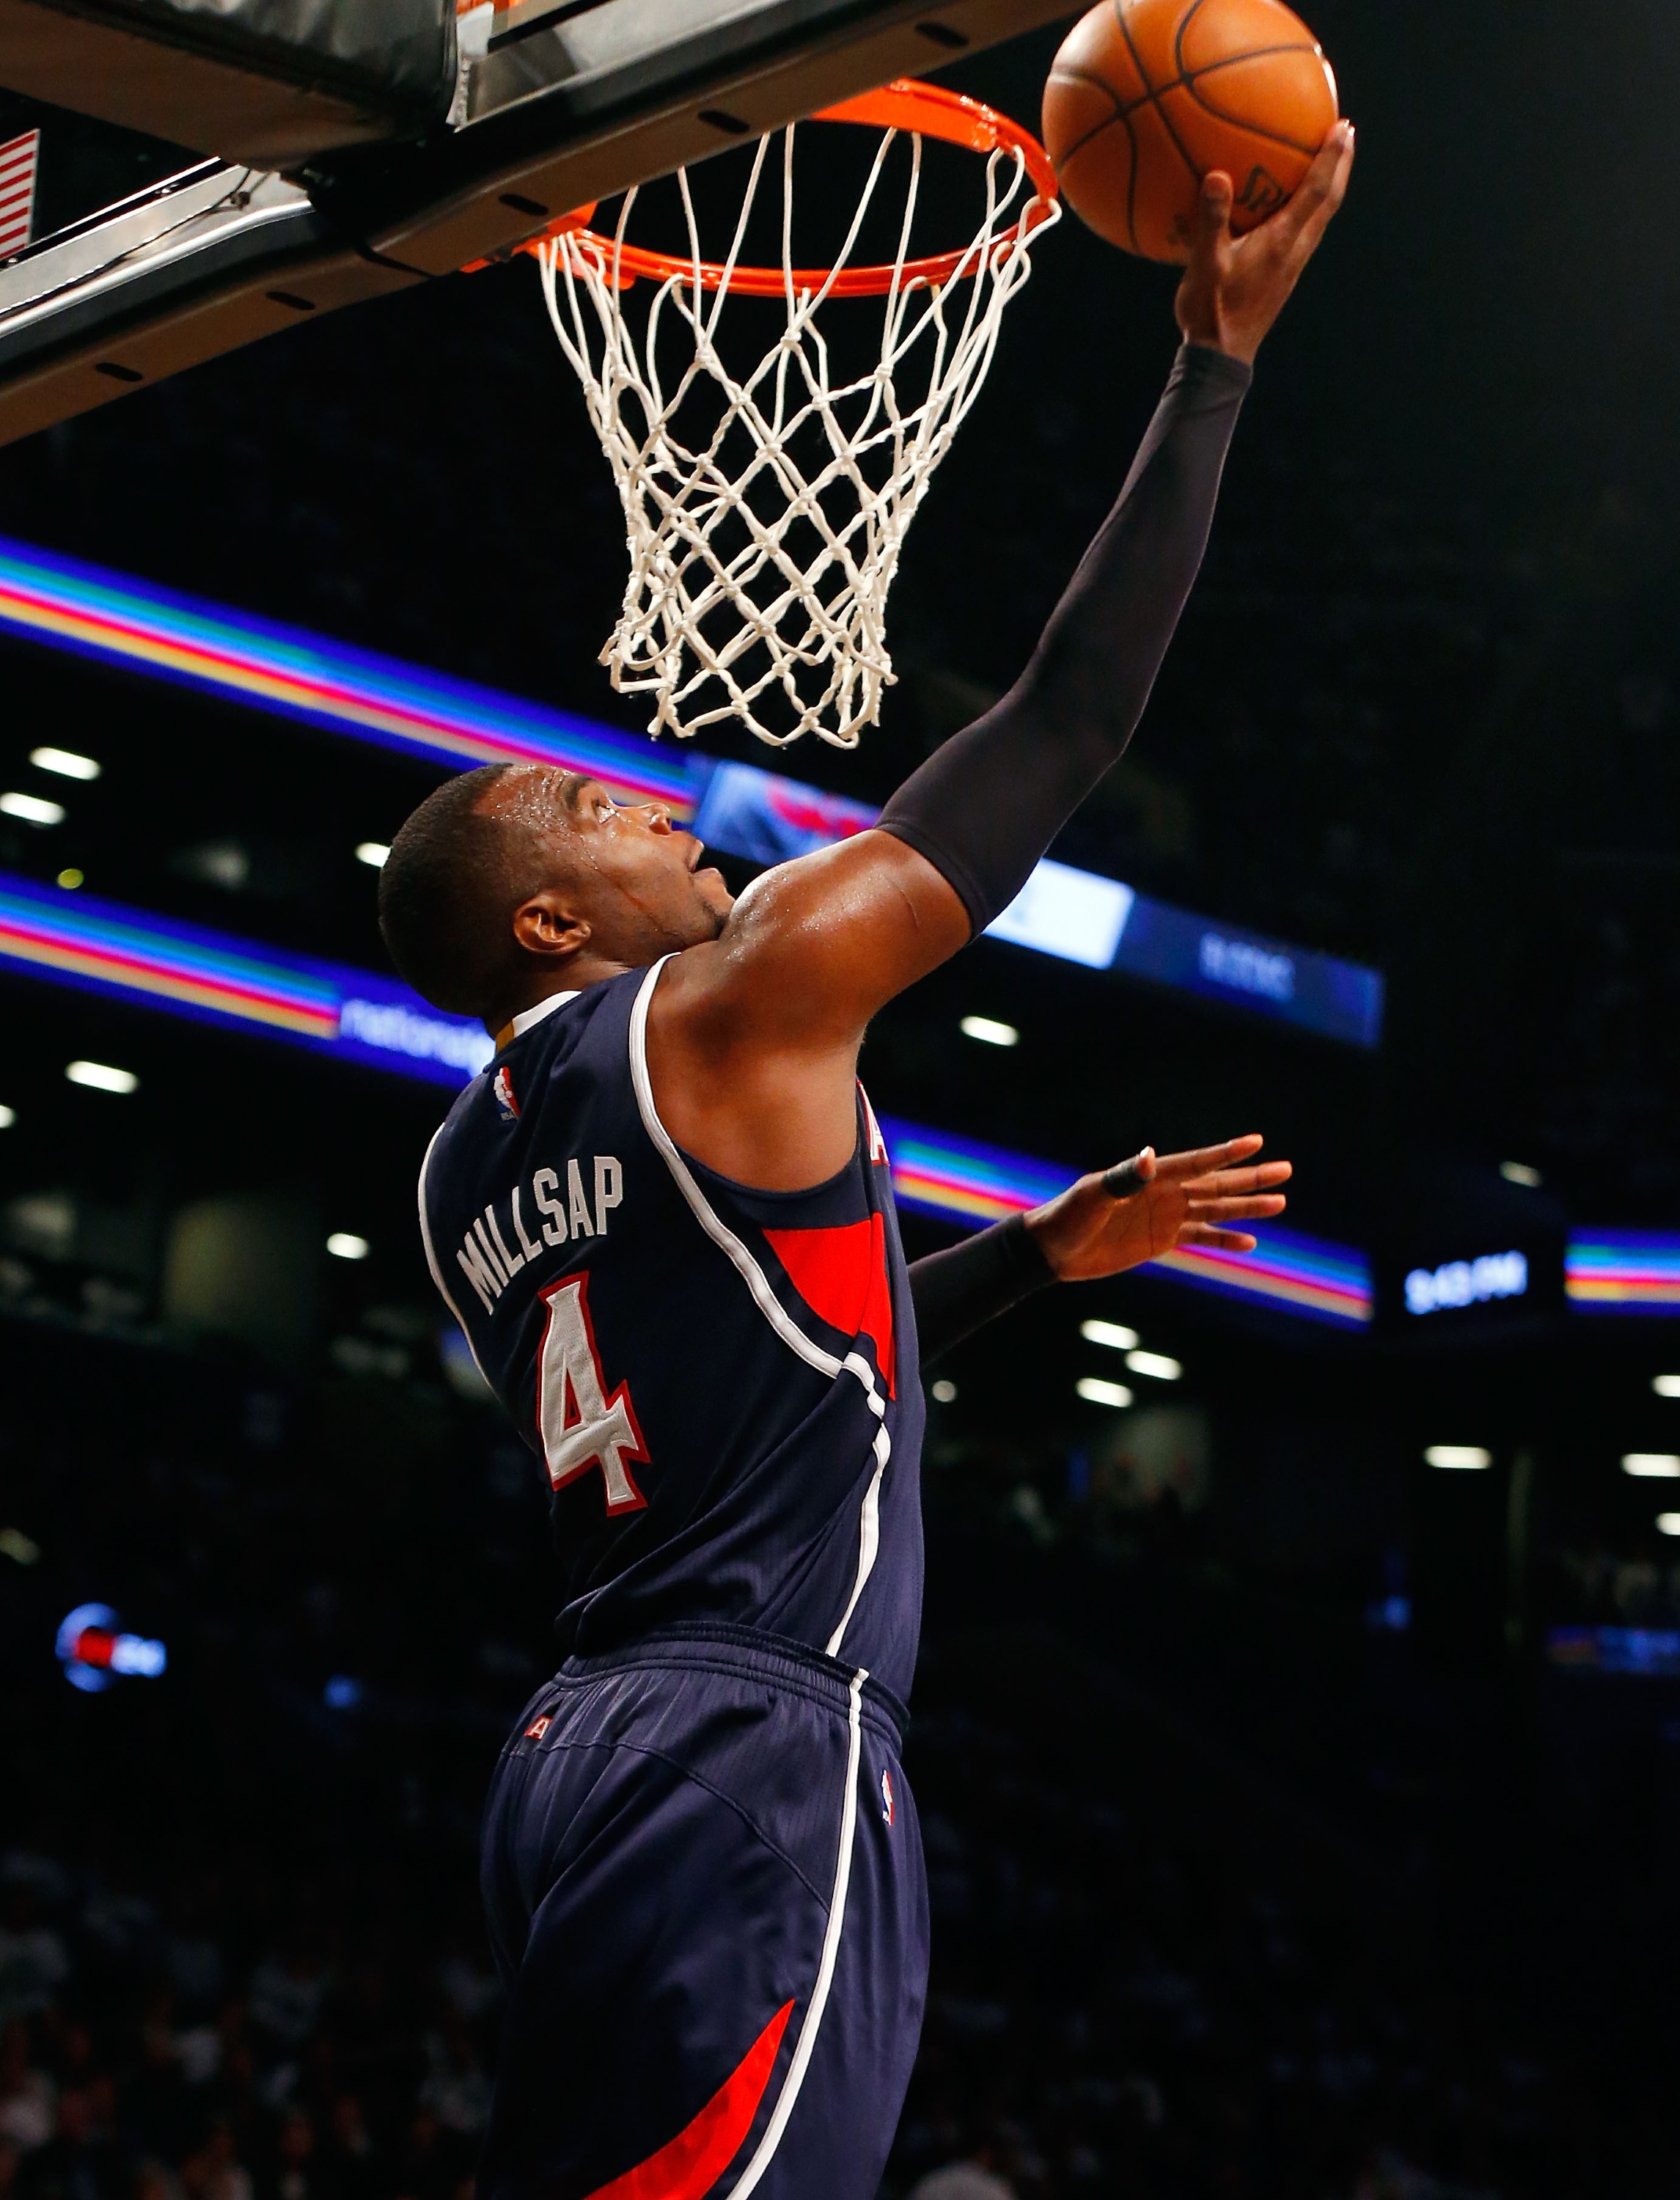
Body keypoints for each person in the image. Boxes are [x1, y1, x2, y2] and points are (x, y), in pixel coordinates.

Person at [378, 127, 1352, 2200]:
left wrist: (1022, 1261)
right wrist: (1211, 369)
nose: (650, 811)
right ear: (546, 922)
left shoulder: (464, 1170)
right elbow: (1067, 722)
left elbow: (773, 1382)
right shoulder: (738, 998)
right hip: (750, 1752)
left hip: (577, 1755)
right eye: (591, 813)